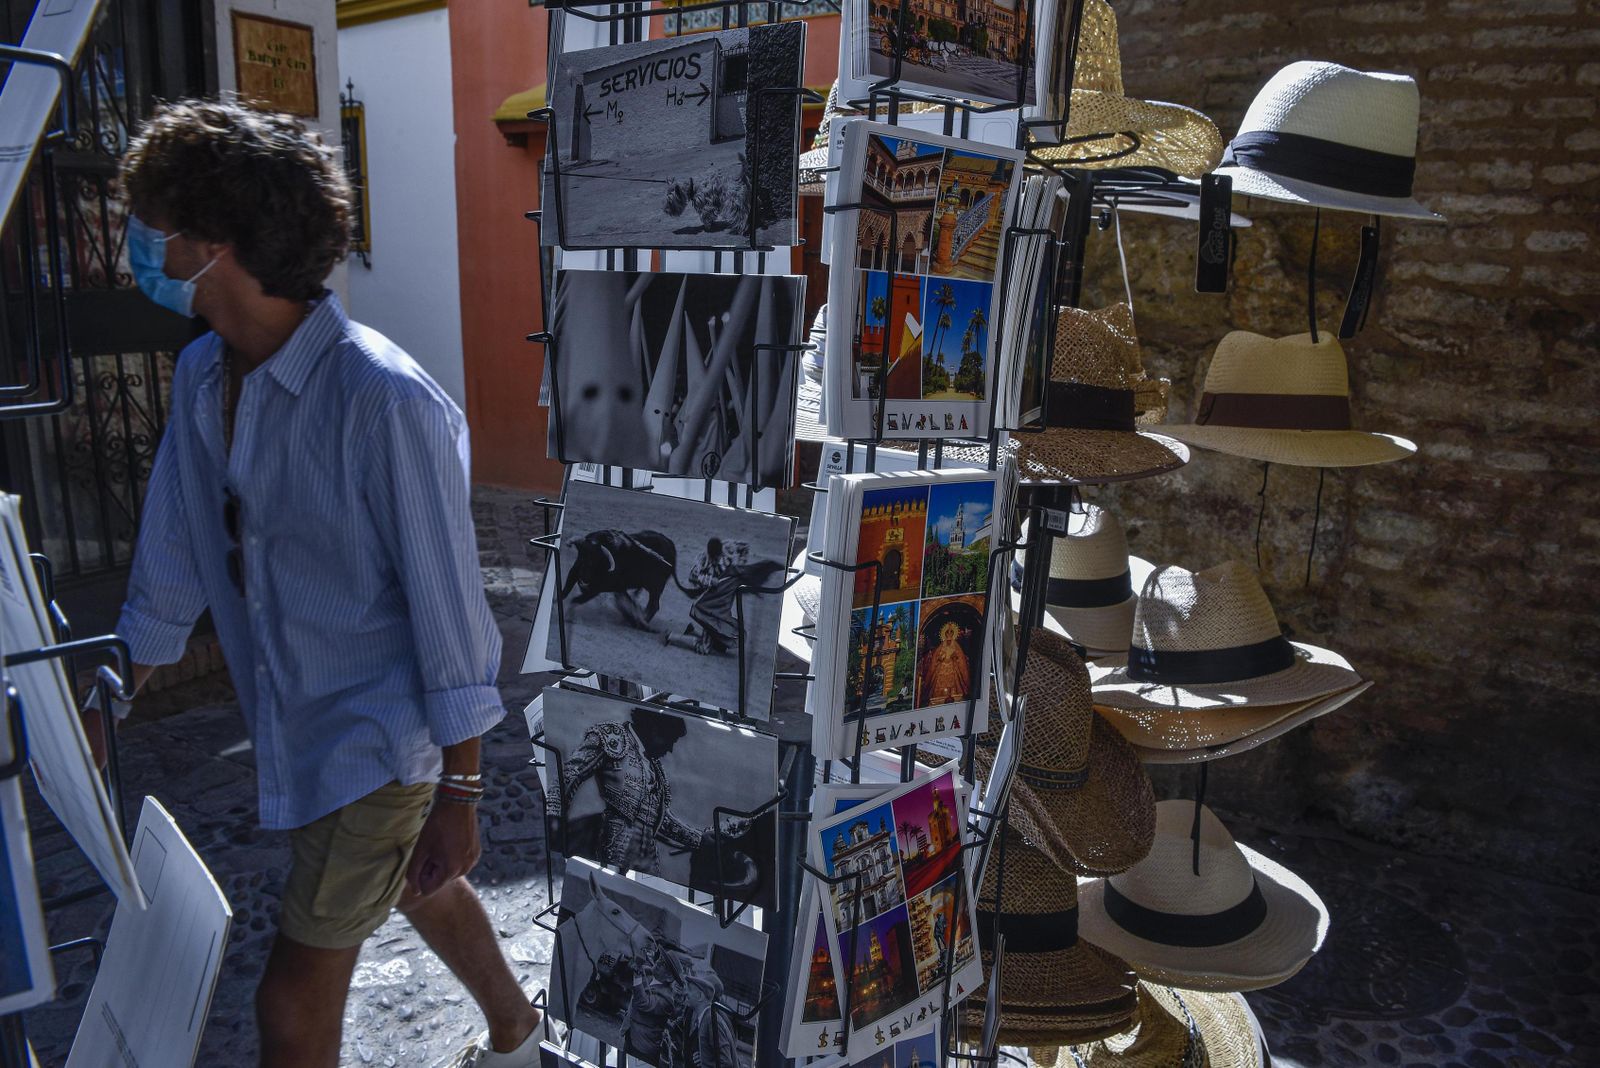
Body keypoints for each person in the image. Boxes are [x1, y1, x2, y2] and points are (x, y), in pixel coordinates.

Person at [78, 99, 539, 1067]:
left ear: (215, 242)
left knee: (291, 1006)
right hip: (299, 724)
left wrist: (461, 790)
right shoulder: (203, 376)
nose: (138, 247)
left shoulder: (385, 402)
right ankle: (516, 1029)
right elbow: (173, 546)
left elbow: (451, 614)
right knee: (411, 882)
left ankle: (512, 1027)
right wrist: (114, 690)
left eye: (153, 225)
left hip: (381, 742)